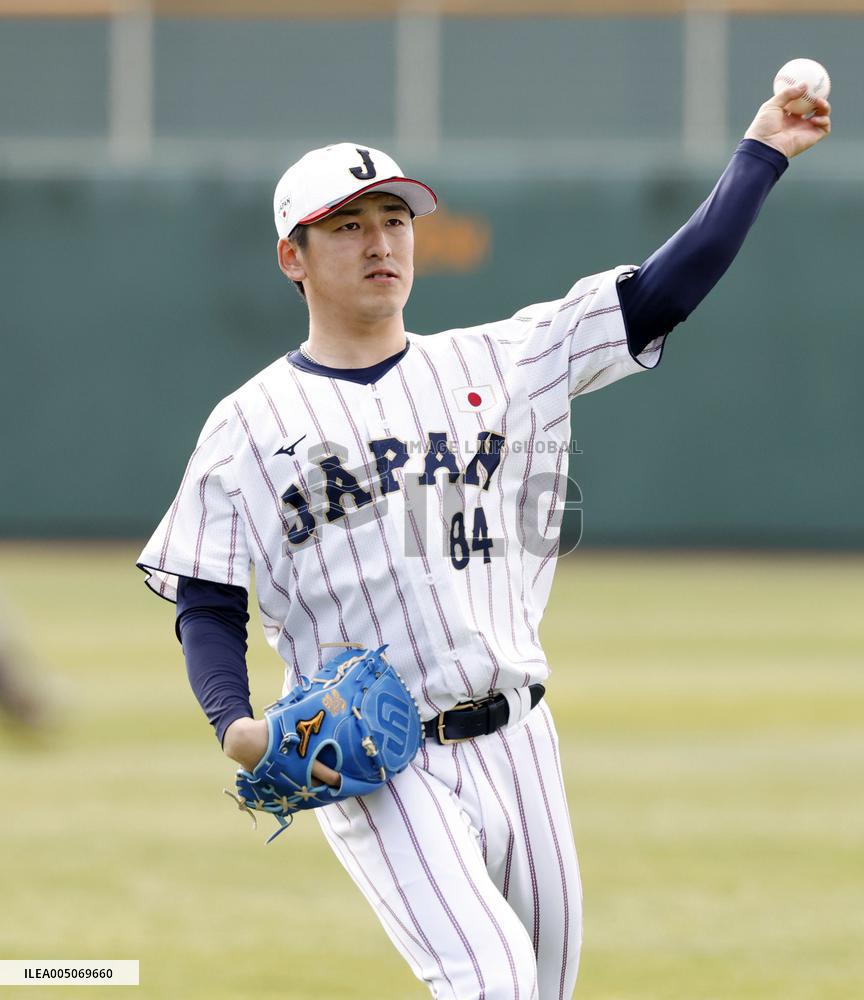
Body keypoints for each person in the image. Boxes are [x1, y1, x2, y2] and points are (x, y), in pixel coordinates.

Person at [137, 83, 830, 999]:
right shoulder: (248, 425)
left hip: (522, 737)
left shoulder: (501, 360)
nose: (380, 241)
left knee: (542, 987)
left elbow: (665, 289)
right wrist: (235, 726)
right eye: (346, 226)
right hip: (380, 759)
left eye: (394, 218)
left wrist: (761, 154)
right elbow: (208, 598)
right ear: (291, 257)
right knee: (492, 982)